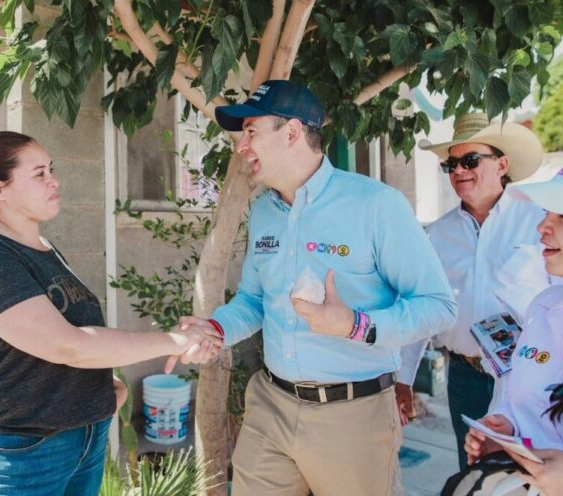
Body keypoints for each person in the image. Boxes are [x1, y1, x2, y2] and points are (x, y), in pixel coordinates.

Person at [175, 80, 457, 496]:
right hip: (270, 406)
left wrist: (355, 325)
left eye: (251, 131)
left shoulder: (376, 205)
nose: (241, 146)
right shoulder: (264, 212)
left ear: (291, 133)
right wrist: (215, 330)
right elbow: (254, 300)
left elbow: (438, 307)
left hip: (353, 416)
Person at [0, 131, 222, 496]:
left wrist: (100, 395)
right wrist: (176, 340)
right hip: (26, 451)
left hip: (86, 438)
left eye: (52, 170)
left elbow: (73, 337)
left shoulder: (44, 247)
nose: (54, 180)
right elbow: (68, 346)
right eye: (39, 173)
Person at [397, 113, 550, 469]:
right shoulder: (436, 235)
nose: (459, 171)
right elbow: (423, 307)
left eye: (470, 160)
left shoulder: (538, 221)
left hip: (529, 376)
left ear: (502, 164)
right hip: (464, 377)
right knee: (474, 472)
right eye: (451, 164)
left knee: (531, 474)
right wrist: (404, 379)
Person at [461, 174, 563, 493]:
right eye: (545, 213)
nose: (542, 227)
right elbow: (526, 395)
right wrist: (506, 430)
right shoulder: (544, 305)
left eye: (560, 216)